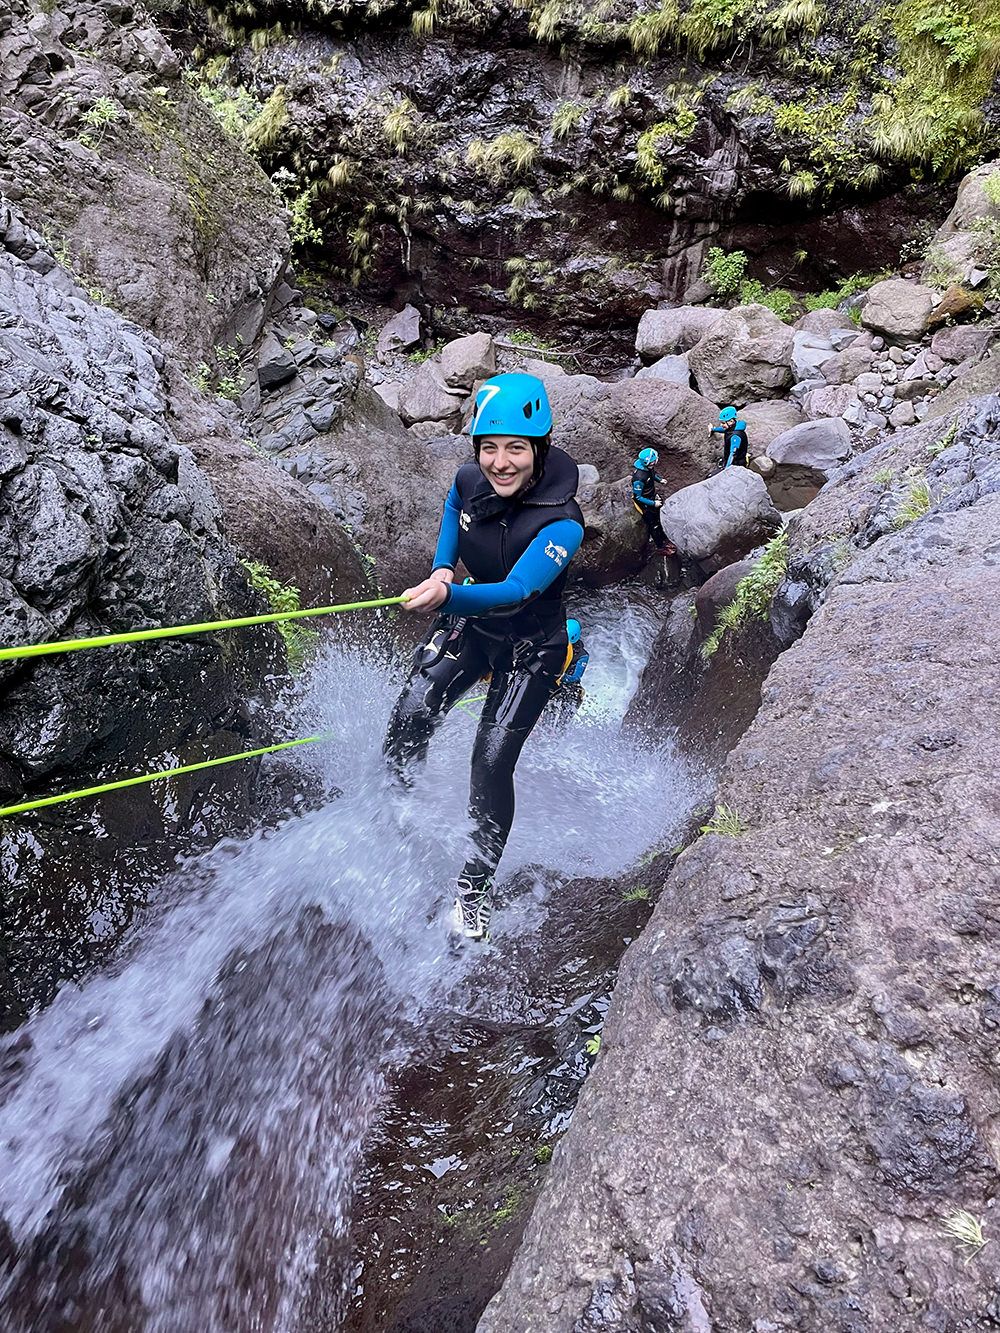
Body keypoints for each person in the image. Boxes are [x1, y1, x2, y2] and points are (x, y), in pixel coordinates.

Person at [383, 372, 585, 941]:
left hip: (530, 645)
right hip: (473, 622)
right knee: (412, 709)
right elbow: (453, 506)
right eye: (490, 447)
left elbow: (518, 590)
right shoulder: (469, 477)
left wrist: (450, 596)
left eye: (516, 448)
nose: (500, 462)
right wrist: (443, 566)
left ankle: (474, 889)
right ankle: (393, 807)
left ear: (538, 450)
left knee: (491, 762)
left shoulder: (562, 523)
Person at [631, 448, 675, 555]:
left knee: (659, 520)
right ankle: (660, 546)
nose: (656, 460)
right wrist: (653, 503)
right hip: (645, 504)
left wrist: (660, 480)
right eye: (654, 459)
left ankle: (664, 538)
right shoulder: (639, 478)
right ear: (648, 462)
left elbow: (652, 475)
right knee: (653, 525)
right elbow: (638, 497)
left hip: (651, 496)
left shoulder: (648, 469)